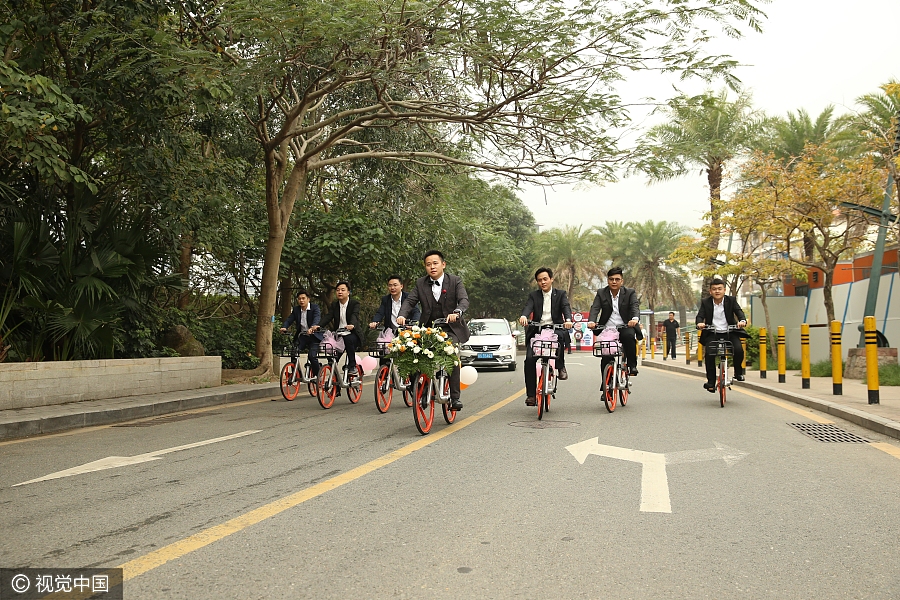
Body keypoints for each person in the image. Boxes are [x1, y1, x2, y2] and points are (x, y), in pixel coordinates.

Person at [397, 250, 469, 411]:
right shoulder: (421, 283)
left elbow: (463, 300)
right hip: (429, 328)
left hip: (451, 328)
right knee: (410, 354)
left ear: (443, 264)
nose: (432, 267)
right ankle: (421, 389)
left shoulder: (455, 281)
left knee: (452, 357)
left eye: (435, 263)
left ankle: (455, 397)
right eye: (428, 264)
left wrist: (457, 312)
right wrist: (402, 315)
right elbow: (410, 301)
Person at [518, 267, 574, 407]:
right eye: (539, 280)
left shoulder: (560, 294)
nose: (543, 282)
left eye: (545, 279)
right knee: (529, 360)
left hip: (556, 328)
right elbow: (528, 307)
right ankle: (531, 395)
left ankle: (560, 367)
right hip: (537, 330)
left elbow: (566, 307)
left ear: (551, 279)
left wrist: (567, 319)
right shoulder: (534, 296)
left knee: (560, 338)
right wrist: (524, 316)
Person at [587, 266, 643, 376]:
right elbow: (595, 308)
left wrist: (635, 319)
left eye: (617, 279)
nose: (614, 282)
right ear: (607, 280)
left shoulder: (629, 293)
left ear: (622, 281)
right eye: (611, 279)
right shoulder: (601, 293)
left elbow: (634, 307)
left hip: (625, 326)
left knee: (629, 337)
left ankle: (632, 365)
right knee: (606, 356)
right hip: (607, 329)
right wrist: (591, 321)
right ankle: (605, 384)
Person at [696, 278, 748, 392]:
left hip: (730, 332)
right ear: (710, 291)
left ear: (724, 290)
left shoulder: (731, 300)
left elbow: (739, 312)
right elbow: (700, 315)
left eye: (720, 289)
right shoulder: (706, 302)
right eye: (714, 289)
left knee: (738, 350)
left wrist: (742, 321)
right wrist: (700, 323)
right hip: (712, 333)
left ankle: (738, 373)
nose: (717, 291)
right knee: (709, 354)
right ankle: (710, 382)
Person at [312, 280, 362, 379]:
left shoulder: (354, 303)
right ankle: (336, 384)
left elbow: (354, 315)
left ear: (348, 292)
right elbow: (328, 316)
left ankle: (352, 366)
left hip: (352, 333)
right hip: (339, 335)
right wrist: (318, 325)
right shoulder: (335, 305)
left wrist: (351, 324)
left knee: (348, 339)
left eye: (343, 290)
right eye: (338, 290)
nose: (340, 292)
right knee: (332, 358)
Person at [278, 289, 324, 396]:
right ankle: (295, 373)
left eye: (303, 298)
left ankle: (318, 376)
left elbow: (317, 318)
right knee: (294, 352)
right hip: (302, 336)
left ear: (308, 299)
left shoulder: (315, 308)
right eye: (299, 299)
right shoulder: (296, 310)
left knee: (312, 357)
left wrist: (313, 327)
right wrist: (284, 327)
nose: (301, 301)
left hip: (314, 337)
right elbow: (290, 319)